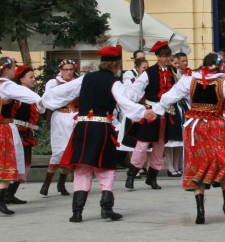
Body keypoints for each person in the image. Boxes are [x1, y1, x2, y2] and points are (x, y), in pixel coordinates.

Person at [41, 45, 156, 223]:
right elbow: (124, 102)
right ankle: (106, 208)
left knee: (83, 167)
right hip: (101, 128)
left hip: (82, 127)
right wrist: (142, 112)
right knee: (106, 167)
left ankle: (77, 212)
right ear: (116, 64)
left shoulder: (86, 78)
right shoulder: (114, 82)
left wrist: (46, 100)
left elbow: (64, 91)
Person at [152, 52, 225, 224]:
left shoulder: (189, 80)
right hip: (217, 126)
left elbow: (168, 97)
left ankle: (200, 209)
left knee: (197, 164)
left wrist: (154, 111)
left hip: (195, 127)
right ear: (220, 66)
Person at [0, 57, 42, 216]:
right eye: (13, 68)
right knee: (8, 162)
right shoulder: (7, 85)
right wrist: (43, 100)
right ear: (6, 70)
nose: (15, 71)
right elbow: (28, 94)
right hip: (3, 129)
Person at [125, 40, 176, 190]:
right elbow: (136, 90)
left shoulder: (172, 72)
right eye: (164, 56)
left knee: (160, 146)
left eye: (168, 56)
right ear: (158, 57)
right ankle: (131, 174)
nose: (167, 59)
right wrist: (133, 106)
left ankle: (152, 177)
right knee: (142, 144)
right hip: (151, 112)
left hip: (165, 113)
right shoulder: (149, 73)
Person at [4, 66, 43, 205]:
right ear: (21, 79)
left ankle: (9, 193)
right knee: (15, 163)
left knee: (25, 163)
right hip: (15, 132)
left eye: (34, 77)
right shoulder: (16, 95)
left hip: (26, 132)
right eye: (31, 77)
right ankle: (2, 194)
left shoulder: (30, 95)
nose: (34, 80)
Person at [41, 59, 80, 197]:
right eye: (66, 69)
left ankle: (61, 183)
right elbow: (50, 99)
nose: (69, 72)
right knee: (59, 150)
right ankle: (47, 182)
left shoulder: (78, 81)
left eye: (71, 69)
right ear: (60, 70)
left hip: (74, 116)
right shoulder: (53, 82)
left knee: (70, 149)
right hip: (60, 116)